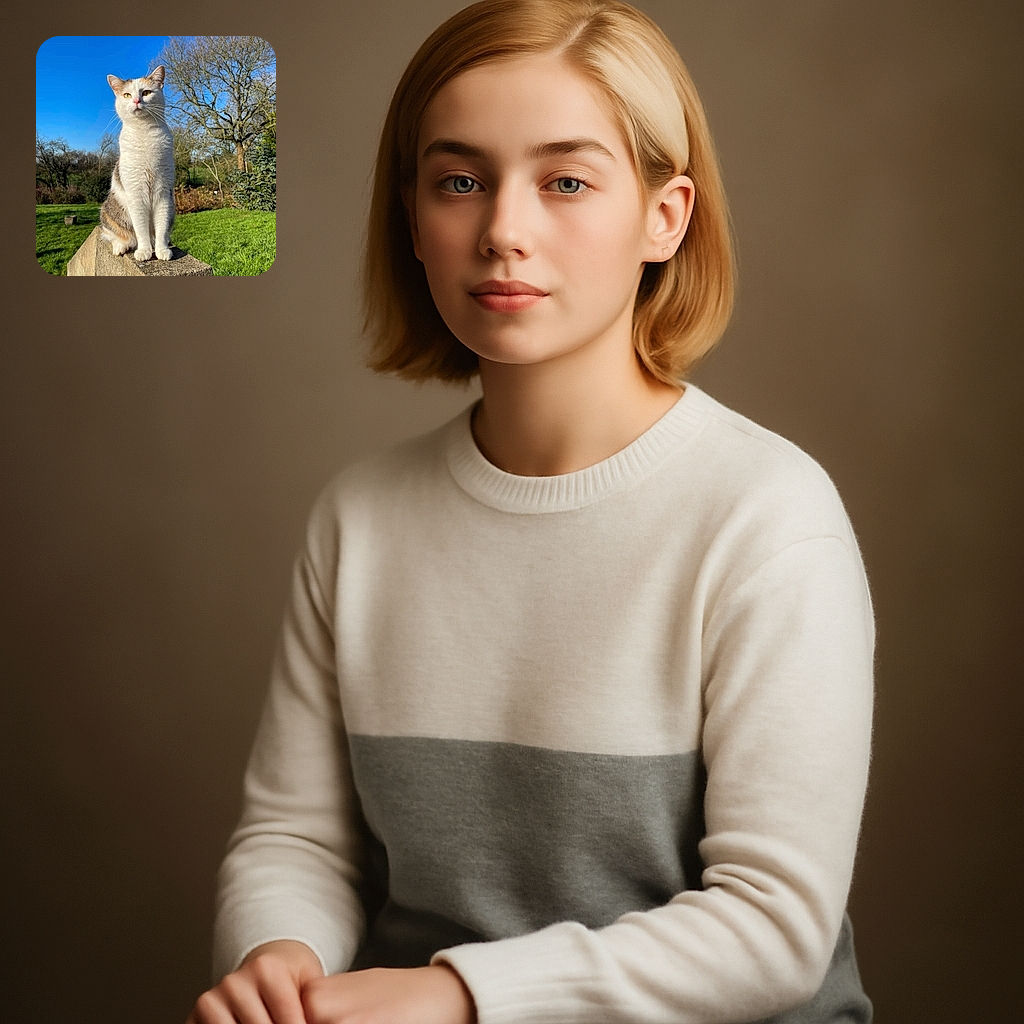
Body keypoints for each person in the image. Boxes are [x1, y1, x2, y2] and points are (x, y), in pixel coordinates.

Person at [186, 1, 874, 1022]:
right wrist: (280, 959)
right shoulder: (359, 518)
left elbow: (772, 927)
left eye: (565, 181)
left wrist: (457, 996)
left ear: (665, 216)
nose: (503, 230)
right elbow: (297, 839)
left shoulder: (768, 518)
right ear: (412, 219)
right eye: (459, 181)